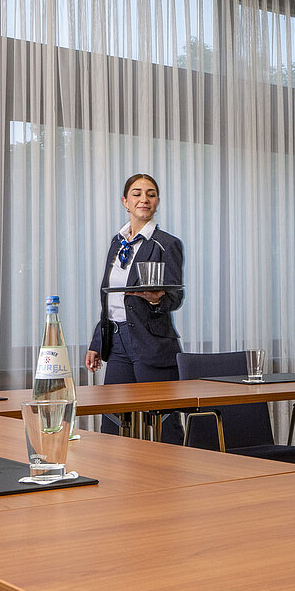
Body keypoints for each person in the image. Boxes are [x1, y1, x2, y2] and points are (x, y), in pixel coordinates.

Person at [86, 173, 185, 439]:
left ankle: (173, 478)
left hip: (151, 342)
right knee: (114, 419)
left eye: (151, 194)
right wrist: (99, 340)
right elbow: (109, 297)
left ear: (157, 202)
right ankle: (118, 478)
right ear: (125, 202)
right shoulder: (117, 243)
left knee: (164, 419)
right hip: (117, 341)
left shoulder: (166, 244)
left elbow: (175, 296)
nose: (144, 199)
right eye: (137, 194)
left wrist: (157, 299)